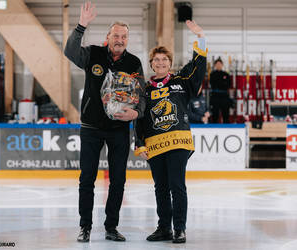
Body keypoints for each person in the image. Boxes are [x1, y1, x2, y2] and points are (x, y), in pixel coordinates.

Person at [64, 1, 145, 242]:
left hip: (119, 129)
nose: (119, 39)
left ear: (127, 40)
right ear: (107, 37)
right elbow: (70, 52)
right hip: (91, 128)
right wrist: (81, 26)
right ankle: (85, 226)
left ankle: (111, 227)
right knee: (86, 178)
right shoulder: (93, 54)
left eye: (123, 36)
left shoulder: (134, 63)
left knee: (118, 180)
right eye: (115, 35)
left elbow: (141, 96)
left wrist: (136, 113)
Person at [134, 20, 207, 244]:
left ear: (170, 63)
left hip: (178, 142)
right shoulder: (143, 89)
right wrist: (139, 144)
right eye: (156, 59)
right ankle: (164, 227)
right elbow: (140, 118)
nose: (160, 62)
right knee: (160, 188)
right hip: (155, 144)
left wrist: (200, 37)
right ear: (151, 64)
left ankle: (180, 229)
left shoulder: (181, 81)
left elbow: (197, 66)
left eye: (164, 59)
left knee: (177, 185)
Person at [210, 57, 231, 123]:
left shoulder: (226, 74)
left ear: (222, 65)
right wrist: (222, 83)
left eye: (220, 64)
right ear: (215, 65)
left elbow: (228, 85)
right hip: (215, 96)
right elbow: (213, 84)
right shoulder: (212, 74)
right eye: (217, 64)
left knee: (225, 114)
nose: (218, 65)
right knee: (215, 114)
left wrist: (220, 84)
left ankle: (227, 128)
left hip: (224, 96)